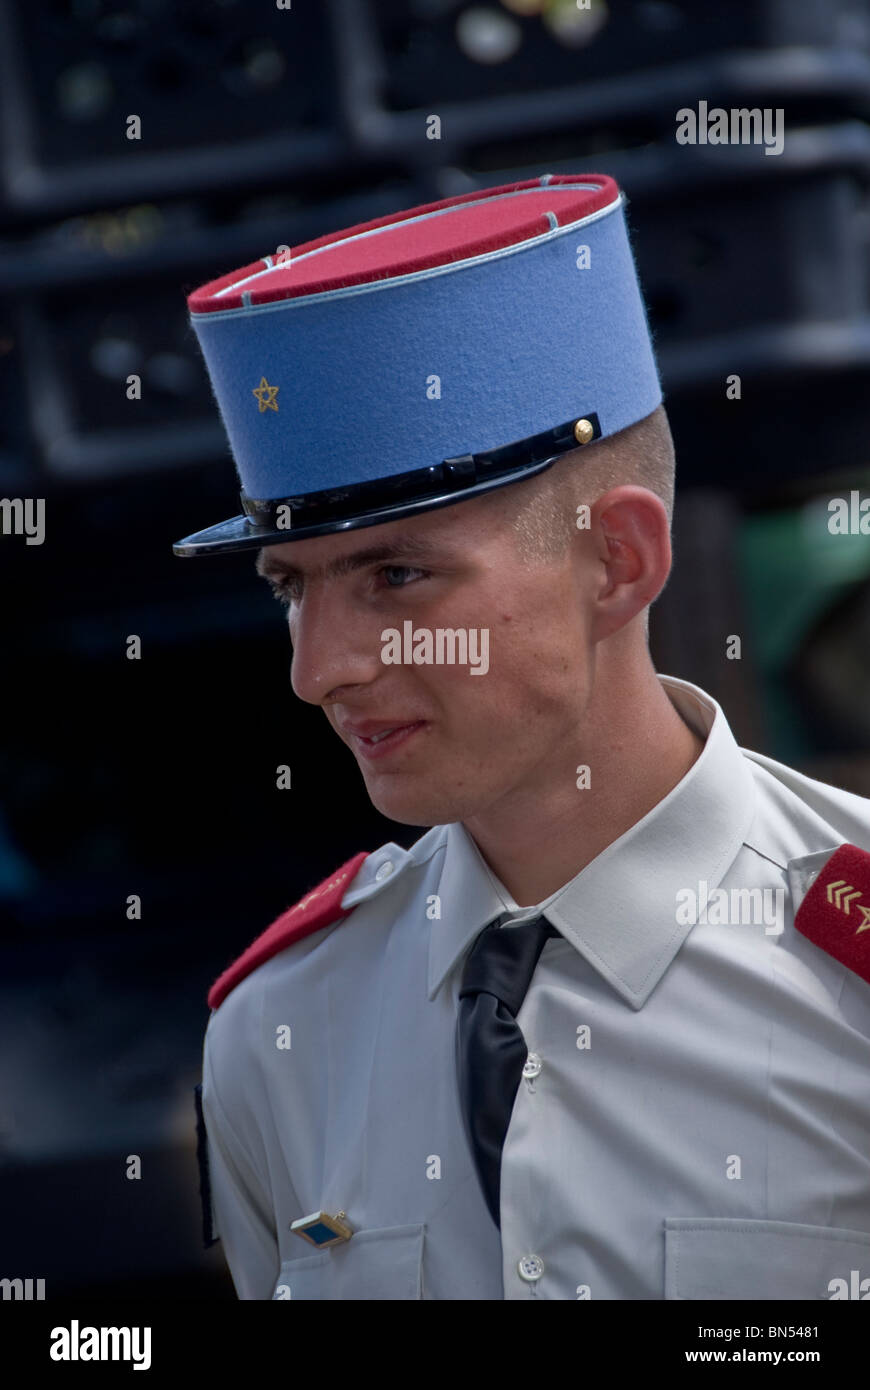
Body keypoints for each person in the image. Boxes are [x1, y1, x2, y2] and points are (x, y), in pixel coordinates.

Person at [175, 173, 870, 1300]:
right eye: (288, 589)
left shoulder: (851, 973)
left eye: (398, 574)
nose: (321, 670)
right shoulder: (279, 1032)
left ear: (619, 560)